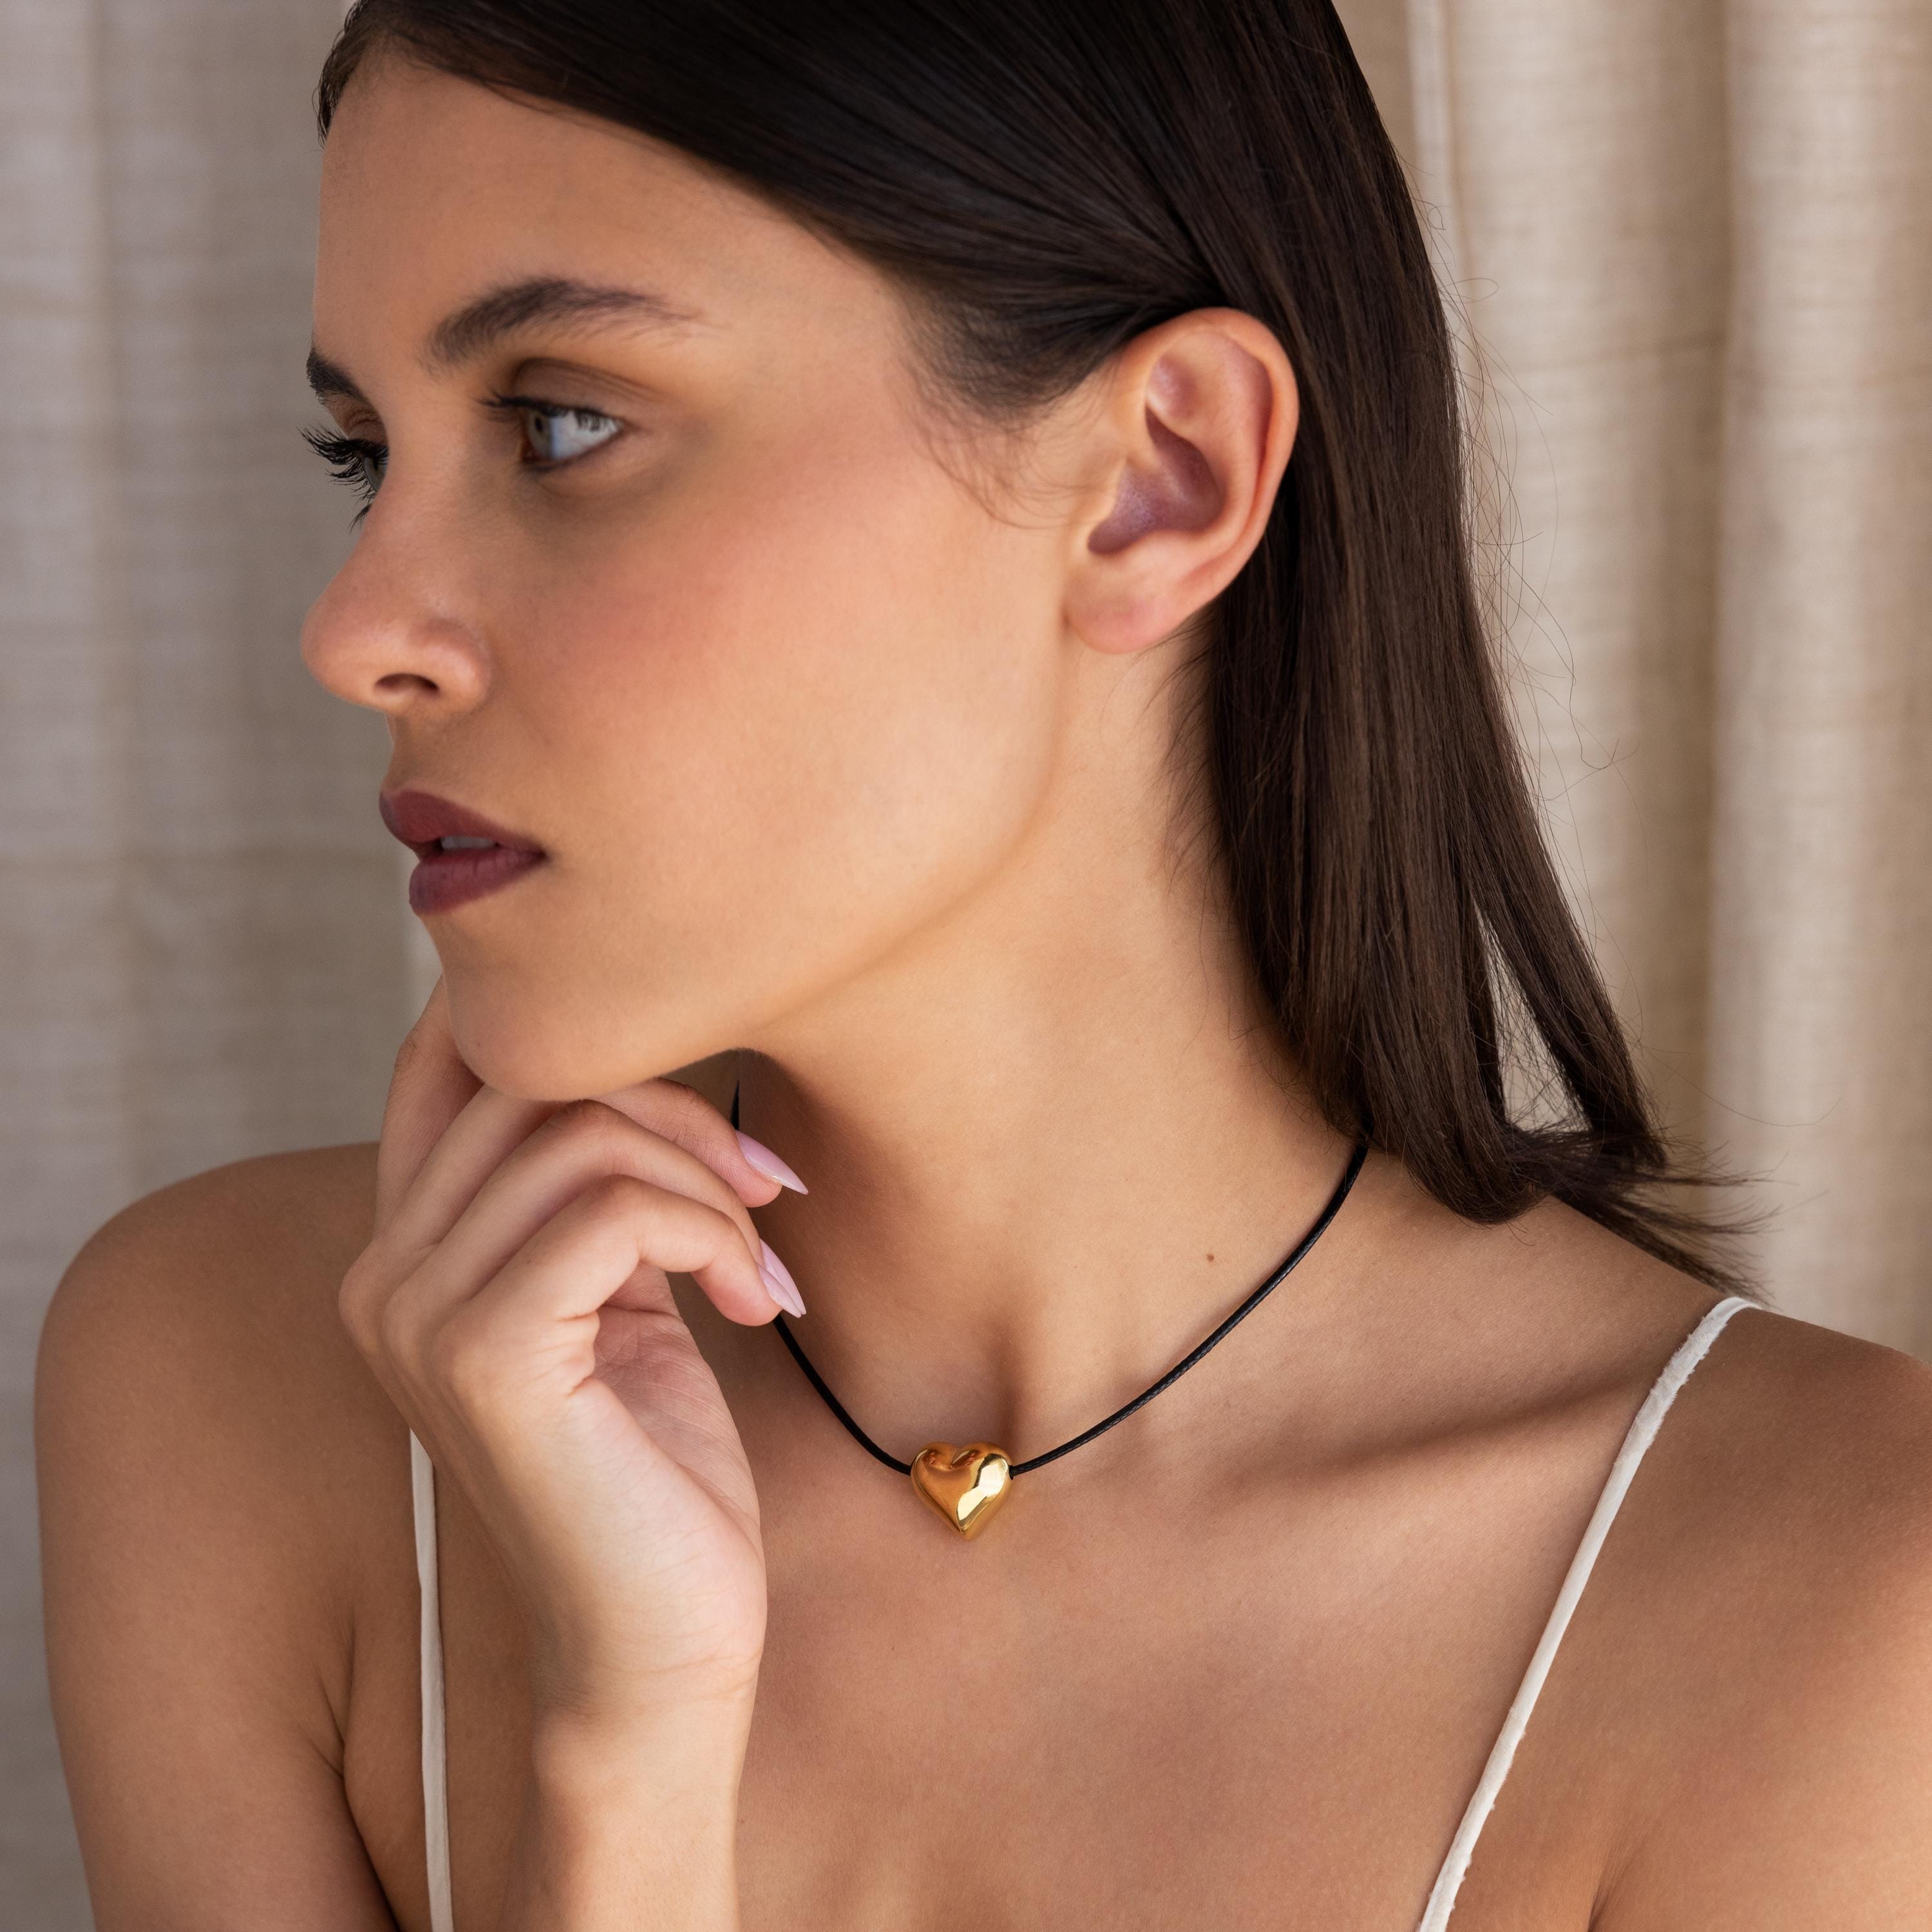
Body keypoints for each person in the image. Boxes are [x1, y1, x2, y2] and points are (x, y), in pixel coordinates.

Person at [33, 3, 1932, 1927]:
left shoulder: (1837, 1610)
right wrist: (631, 1746)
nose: (359, 631)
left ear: (1161, 479)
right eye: (367, 456)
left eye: (562, 420)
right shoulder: (243, 1398)